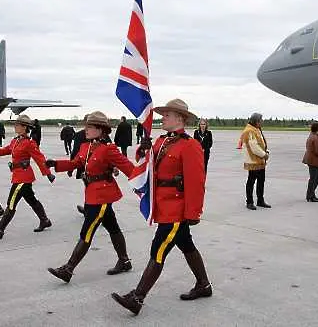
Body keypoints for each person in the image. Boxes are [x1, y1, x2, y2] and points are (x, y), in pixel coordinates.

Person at [112, 99, 211, 316]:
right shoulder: (160, 141)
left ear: (180, 118)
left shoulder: (190, 145)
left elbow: (196, 182)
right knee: (187, 246)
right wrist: (143, 149)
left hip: (177, 209)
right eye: (163, 113)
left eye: (167, 114)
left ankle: (137, 297)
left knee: (158, 249)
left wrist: (194, 212)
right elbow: (143, 163)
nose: (163, 117)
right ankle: (204, 285)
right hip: (162, 205)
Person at [45, 111, 135, 283]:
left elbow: (129, 168)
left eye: (90, 126)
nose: (86, 129)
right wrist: (56, 163)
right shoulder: (86, 147)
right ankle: (124, 261)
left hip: (101, 195)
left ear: (101, 130)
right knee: (113, 227)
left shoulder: (108, 149)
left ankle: (68, 269)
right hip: (92, 193)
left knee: (87, 231)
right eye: (86, 125)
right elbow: (76, 163)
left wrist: (145, 178)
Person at [0, 115, 56, 239]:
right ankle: (45, 220)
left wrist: (48, 173)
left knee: (11, 202)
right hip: (18, 176)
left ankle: (0, 229)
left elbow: (39, 158)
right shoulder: (16, 141)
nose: (15, 126)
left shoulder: (29, 143)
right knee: (31, 199)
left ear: (24, 127)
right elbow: (5, 150)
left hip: (24, 177)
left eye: (17, 125)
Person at [240, 113, 271, 210]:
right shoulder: (250, 131)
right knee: (251, 182)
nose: (262, 121)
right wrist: (264, 154)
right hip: (253, 161)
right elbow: (254, 147)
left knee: (261, 181)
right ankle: (249, 202)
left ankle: (260, 200)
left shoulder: (256, 129)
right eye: (261, 120)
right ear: (256, 121)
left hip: (260, 161)